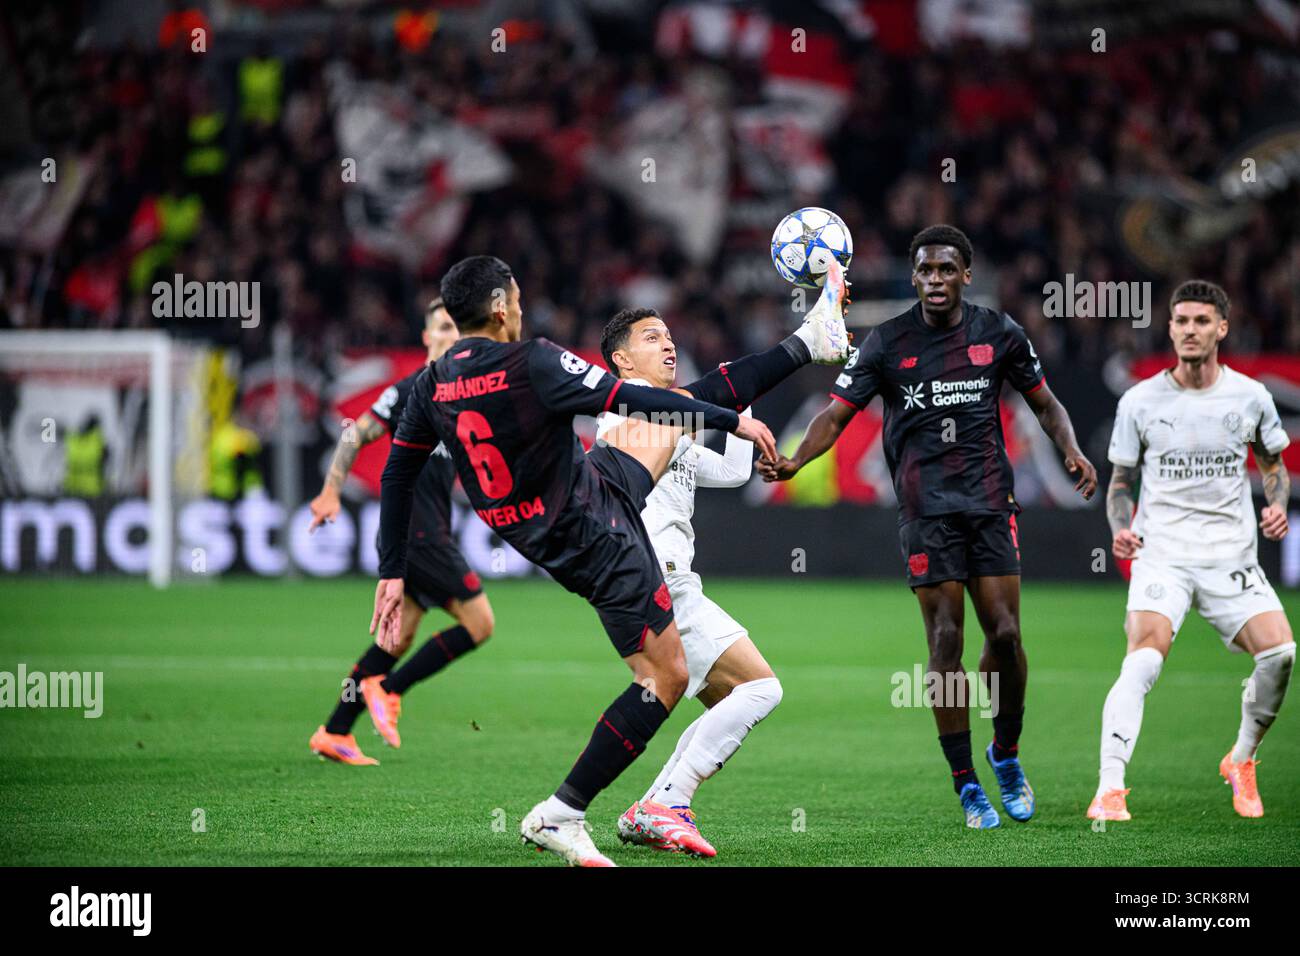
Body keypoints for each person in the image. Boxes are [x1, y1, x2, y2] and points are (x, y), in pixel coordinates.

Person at [371, 255, 814, 865]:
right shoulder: (533, 362)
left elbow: (398, 473)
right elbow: (627, 396)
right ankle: (564, 812)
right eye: (518, 297)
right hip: (593, 529)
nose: (523, 307)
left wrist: (390, 569)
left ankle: (806, 343)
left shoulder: (431, 383)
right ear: (501, 307)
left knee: (666, 416)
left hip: (571, 500)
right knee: (666, 676)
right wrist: (731, 419)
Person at [760, 224, 1098, 828]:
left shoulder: (999, 333)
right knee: (945, 642)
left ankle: (1007, 754)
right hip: (925, 511)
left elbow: (1045, 403)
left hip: (991, 506)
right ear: (912, 276)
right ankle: (966, 783)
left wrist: (1070, 449)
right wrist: (794, 461)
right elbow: (836, 417)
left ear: (966, 274)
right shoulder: (887, 343)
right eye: (925, 271)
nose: (935, 280)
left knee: (1007, 637)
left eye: (947, 270)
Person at [1088, 279, 1293, 822]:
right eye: (1181, 321)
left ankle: (1241, 759)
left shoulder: (1250, 396)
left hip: (1232, 557)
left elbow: (1274, 469)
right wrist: (1119, 526)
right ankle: (1110, 786)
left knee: (1280, 656)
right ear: (1171, 327)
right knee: (1141, 663)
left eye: (1202, 321)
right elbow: (1121, 481)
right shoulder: (1140, 400)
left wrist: (1276, 506)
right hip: (1164, 555)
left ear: (1221, 329)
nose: (1190, 330)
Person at [308, 299, 494, 765]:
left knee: (395, 640)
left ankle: (334, 731)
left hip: (433, 531)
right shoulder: (415, 386)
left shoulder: (464, 393)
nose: (453, 336)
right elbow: (355, 433)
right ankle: (388, 689)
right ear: (427, 338)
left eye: (459, 328)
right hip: (417, 535)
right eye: (443, 328)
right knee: (479, 623)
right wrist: (331, 491)